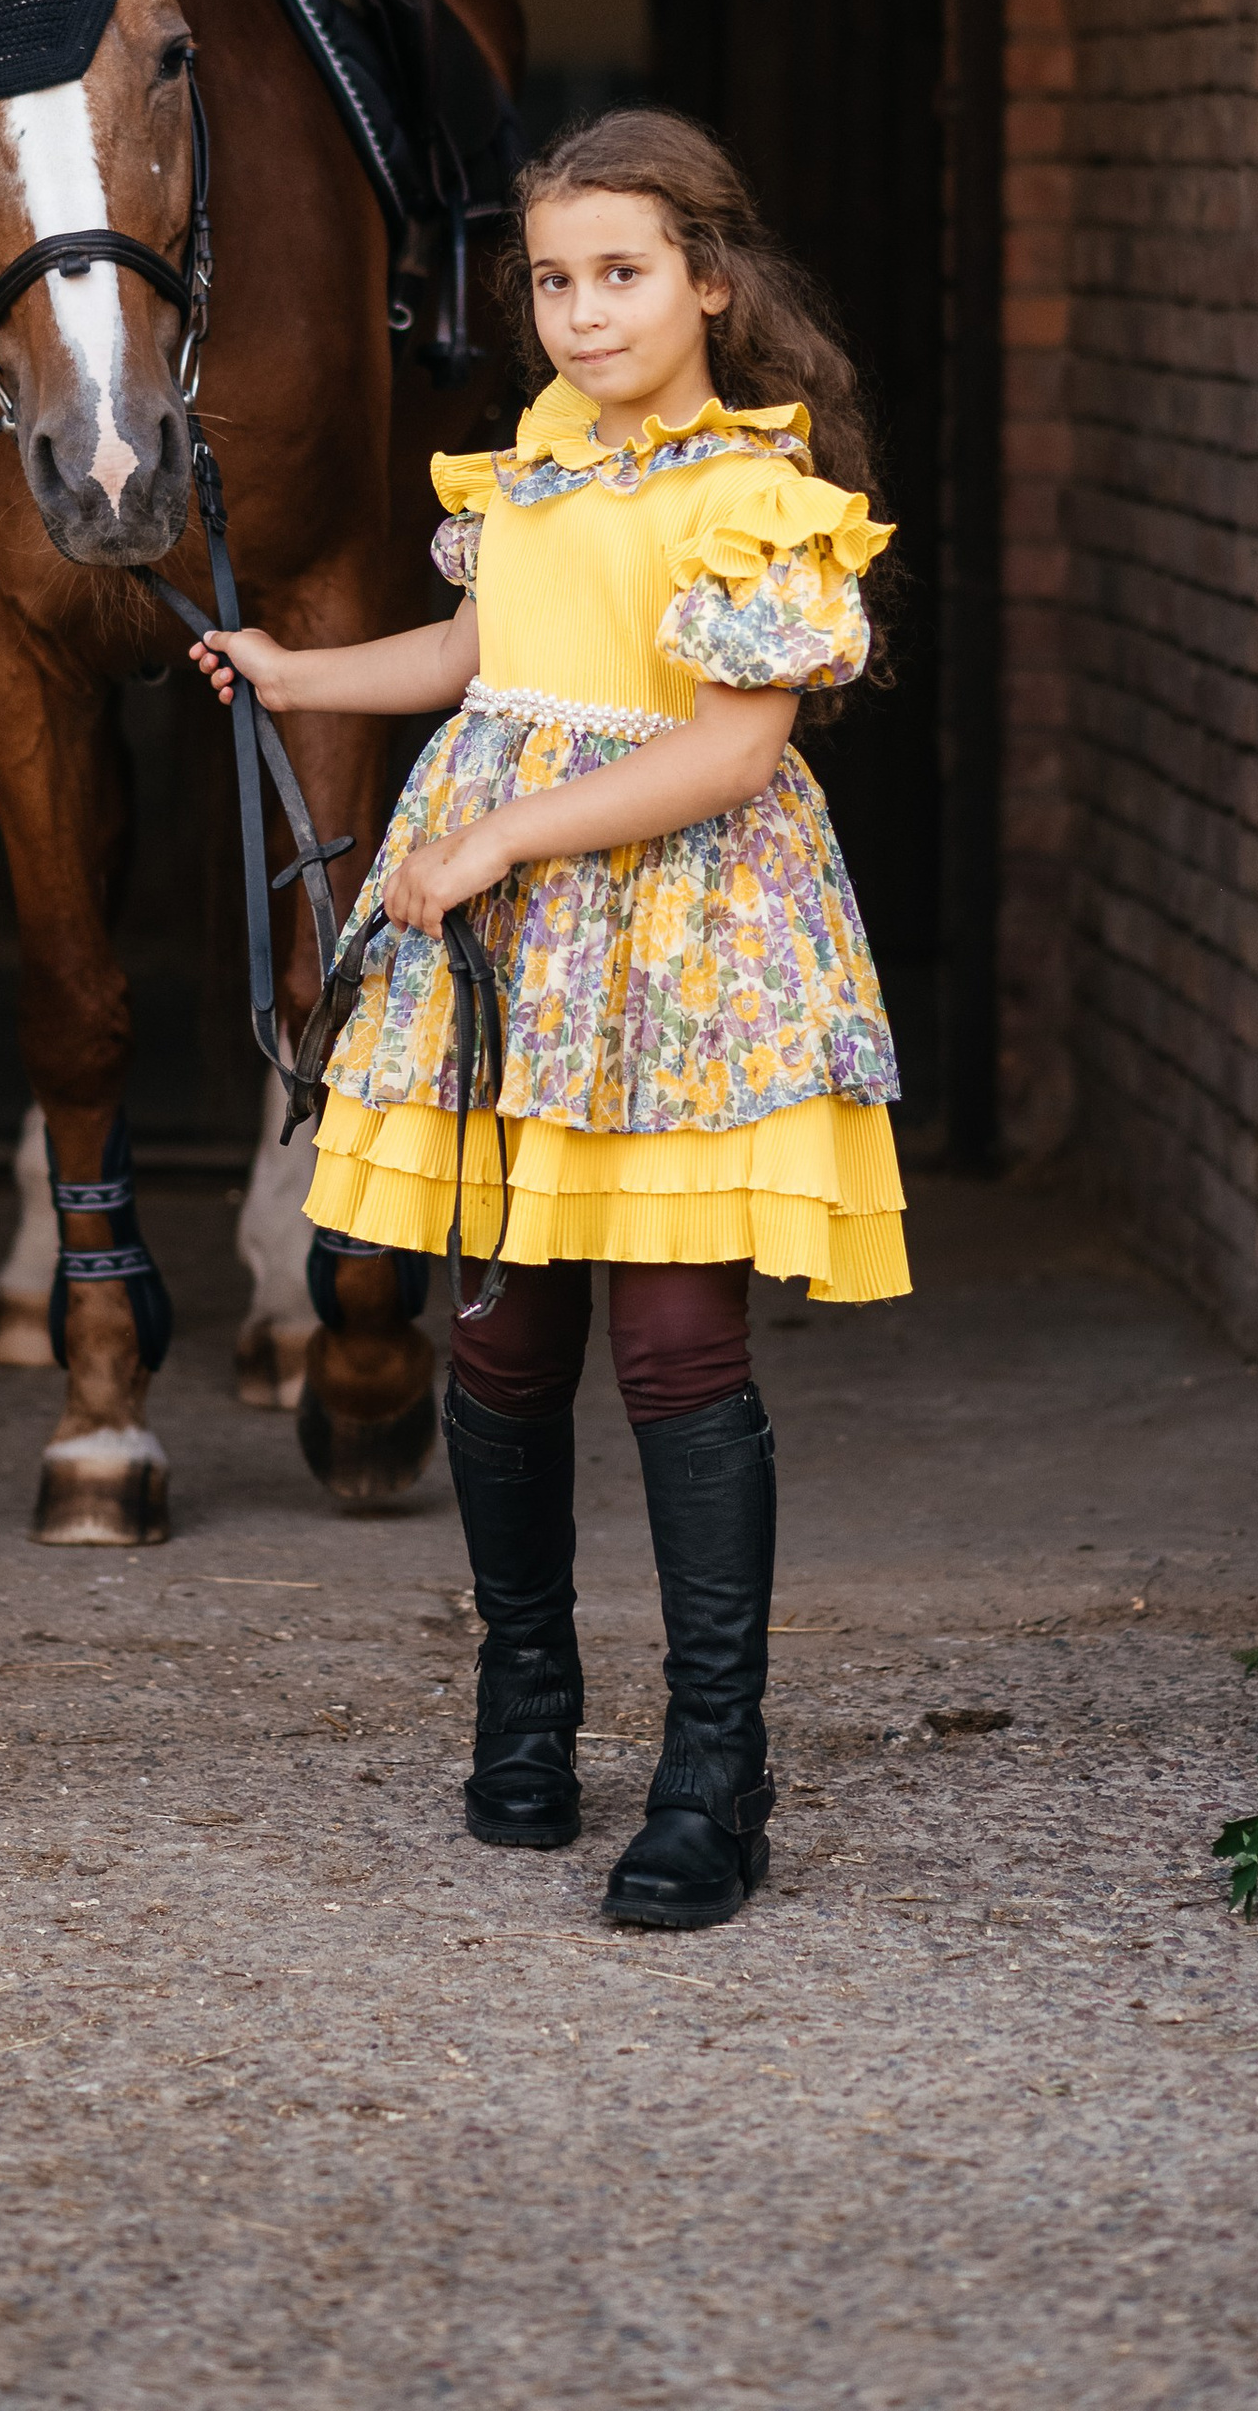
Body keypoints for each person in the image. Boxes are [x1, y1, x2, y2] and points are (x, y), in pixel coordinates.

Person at [191, 108, 908, 1929]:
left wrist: (503, 825)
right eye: (554, 281)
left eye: (623, 274)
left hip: (678, 962)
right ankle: (527, 1705)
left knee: (674, 1349)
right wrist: (297, 670)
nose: (583, 314)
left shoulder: (754, 490)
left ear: (709, 282)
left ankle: (712, 1775)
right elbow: (475, 660)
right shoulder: (529, 466)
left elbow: (737, 741)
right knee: (502, 1349)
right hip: (509, 970)